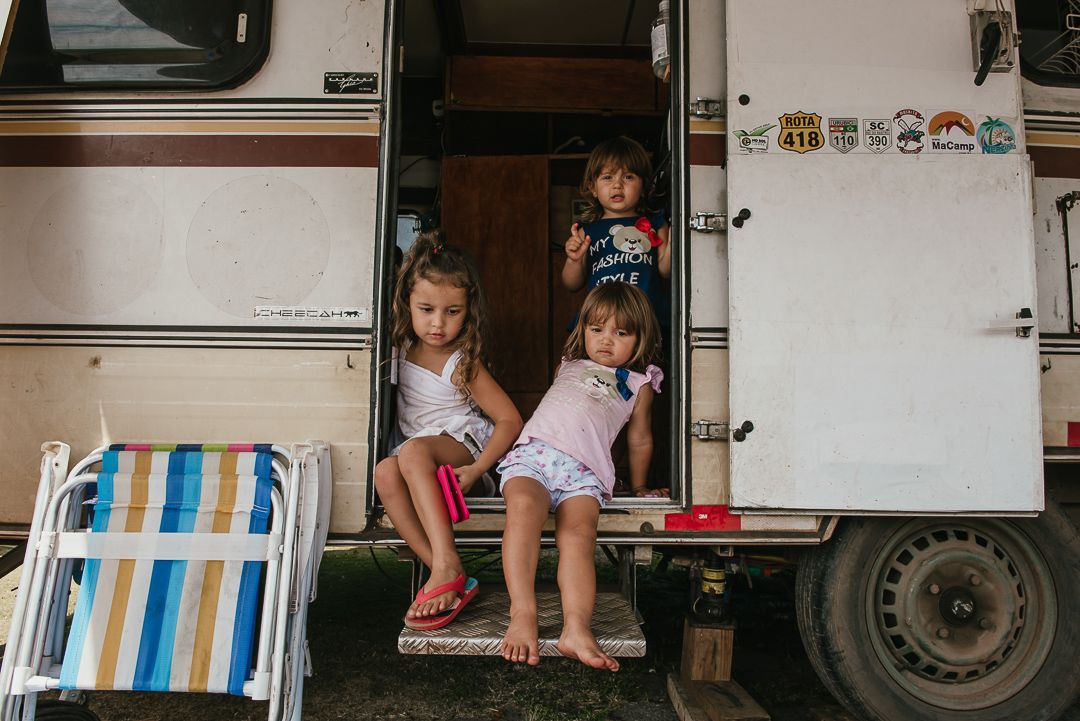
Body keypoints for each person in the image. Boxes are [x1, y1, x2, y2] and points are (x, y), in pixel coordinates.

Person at [498, 283, 663, 670]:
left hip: (584, 472)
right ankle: (523, 614)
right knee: (522, 510)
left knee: (579, 536)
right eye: (597, 329)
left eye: (621, 333)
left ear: (640, 339)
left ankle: (576, 628)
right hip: (536, 456)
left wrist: (638, 486)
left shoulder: (639, 384)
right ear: (583, 330)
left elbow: (639, 440)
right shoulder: (569, 363)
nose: (606, 341)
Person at [375, 230, 523, 630]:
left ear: (468, 310)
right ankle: (446, 569)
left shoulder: (461, 363)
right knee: (384, 473)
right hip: (416, 453)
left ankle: (444, 565)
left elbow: (510, 420)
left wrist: (478, 471)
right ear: (407, 301)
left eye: (452, 312)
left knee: (410, 454)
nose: (438, 323)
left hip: (463, 448)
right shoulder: (400, 346)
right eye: (426, 309)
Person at [562, 135, 671, 323]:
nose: (617, 185)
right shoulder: (586, 232)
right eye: (607, 177)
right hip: (601, 319)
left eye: (628, 177)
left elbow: (665, 271)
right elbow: (571, 284)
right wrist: (574, 261)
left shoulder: (656, 223)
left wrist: (674, 241)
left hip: (644, 319)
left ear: (644, 186)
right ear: (593, 188)